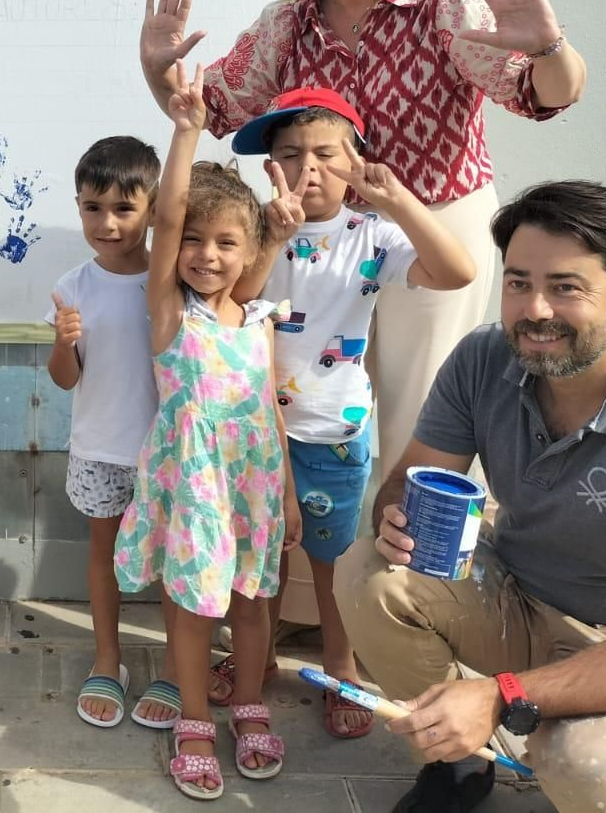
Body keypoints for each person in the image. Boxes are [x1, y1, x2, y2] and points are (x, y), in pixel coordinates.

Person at [138, 0, 587, 471]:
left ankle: (404, 563)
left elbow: (546, 93)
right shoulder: (287, 23)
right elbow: (206, 108)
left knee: (420, 405)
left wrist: (549, 47)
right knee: (306, 399)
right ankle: (313, 548)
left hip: (428, 221)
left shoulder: (444, 2)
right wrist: (158, 74)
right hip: (317, 231)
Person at [336, 181, 606, 813]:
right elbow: (409, 478)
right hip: (521, 598)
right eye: (518, 282)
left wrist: (501, 694)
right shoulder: (484, 358)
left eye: (565, 287)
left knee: (591, 771)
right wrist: (393, 515)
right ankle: (460, 766)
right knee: (369, 571)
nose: (534, 309)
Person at [207, 87, 473, 737]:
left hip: (333, 436)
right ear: (269, 164)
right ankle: (258, 657)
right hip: (253, 433)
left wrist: (399, 201)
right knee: (259, 563)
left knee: (333, 566)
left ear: (356, 160)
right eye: (291, 154)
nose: (309, 169)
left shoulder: (373, 236)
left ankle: (340, 667)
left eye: (327, 154)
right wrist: (273, 235)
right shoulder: (257, 230)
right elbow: (233, 304)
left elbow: (458, 271)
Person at [113, 63, 300, 799]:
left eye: (226, 243)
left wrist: (284, 494)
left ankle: (248, 705)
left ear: (249, 251)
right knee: (192, 607)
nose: (206, 255)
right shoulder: (169, 313)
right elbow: (166, 220)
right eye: (195, 240)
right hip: (192, 482)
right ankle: (194, 718)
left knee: (254, 603)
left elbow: (267, 412)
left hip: (251, 481)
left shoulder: (253, 319)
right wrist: (186, 131)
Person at [44, 136, 179, 731]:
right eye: (93, 207)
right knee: (103, 557)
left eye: (124, 208)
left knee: (178, 561)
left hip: (170, 453)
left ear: (153, 209)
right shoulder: (73, 286)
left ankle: (177, 666)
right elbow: (66, 380)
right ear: (78, 207)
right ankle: (108, 657)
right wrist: (62, 341)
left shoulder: (175, 279)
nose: (107, 222)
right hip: (100, 449)